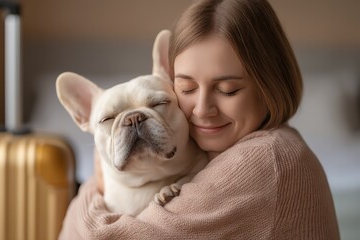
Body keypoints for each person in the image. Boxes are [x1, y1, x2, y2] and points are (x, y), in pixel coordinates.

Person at [59, 0, 340, 239]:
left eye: (228, 90)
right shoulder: (224, 152)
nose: (202, 109)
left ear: (269, 86)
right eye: (187, 89)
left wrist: (95, 183)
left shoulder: (266, 160)